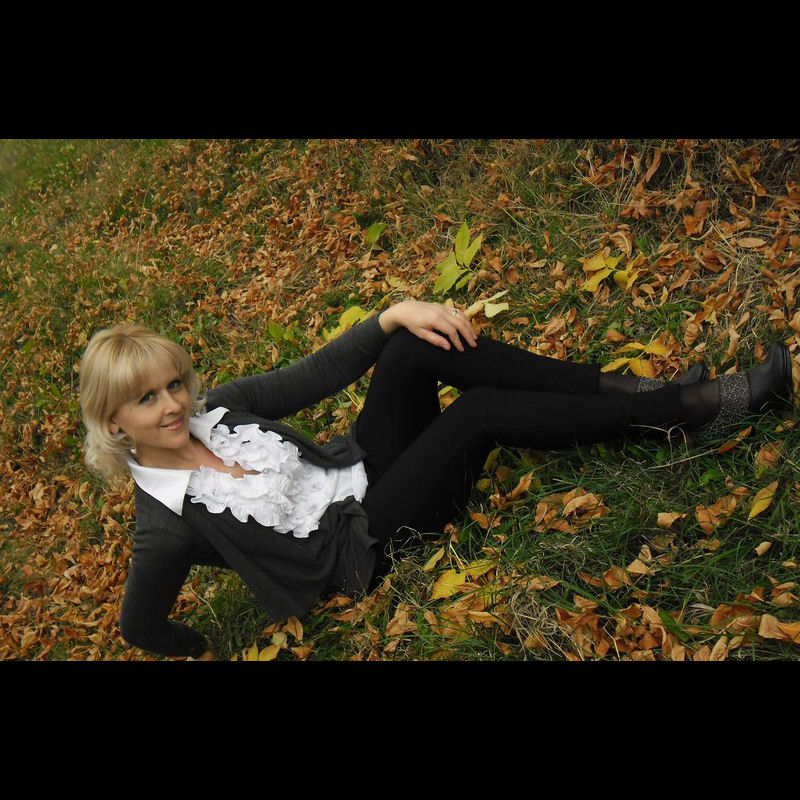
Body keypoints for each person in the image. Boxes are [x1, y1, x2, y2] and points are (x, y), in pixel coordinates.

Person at [78, 299, 795, 659]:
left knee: (408, 351)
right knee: (476, 416)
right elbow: (138, 626)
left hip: (358, 471)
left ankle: (635, 393)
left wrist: (391, 315)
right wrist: (196, 647)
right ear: (114, 424)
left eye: (173, 384)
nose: (172, 405)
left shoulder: (220, 413)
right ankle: (690, 411)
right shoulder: (164, 526)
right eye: (146, 399)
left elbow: (315, 373)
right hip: (358, 549)